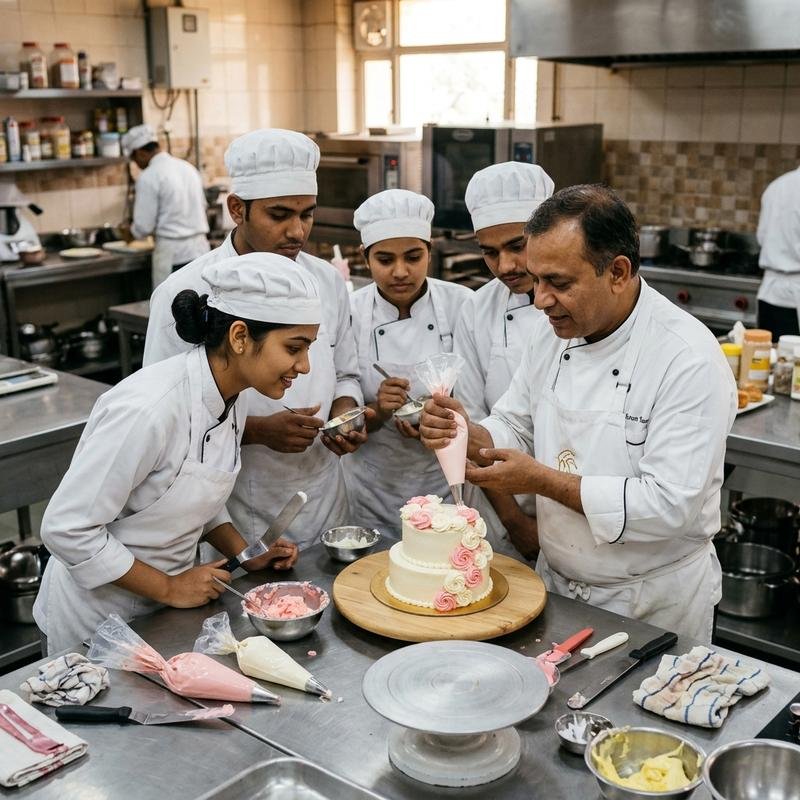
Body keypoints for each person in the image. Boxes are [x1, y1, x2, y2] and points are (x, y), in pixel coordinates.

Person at [421, 185, 737, 642]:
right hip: (555, 584)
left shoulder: (686, 358)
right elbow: (515, 423)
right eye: (537, 280)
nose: (539, 300)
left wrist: (541, 481)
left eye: (559, 283)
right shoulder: (552, 334)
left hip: (650, 603)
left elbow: (669, 506)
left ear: (618, 272)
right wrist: (472, 434)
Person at [34, 253, 320, 654]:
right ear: (239, 337)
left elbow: (192, 492)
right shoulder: (148, 409)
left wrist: (245, 554)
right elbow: (66, 529)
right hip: (95, 621)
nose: (304, 366)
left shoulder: (231, 395)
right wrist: (168, 587)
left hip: (162, 614)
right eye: (294, 348)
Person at [143, 129, 364, 551]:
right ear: (236, 209)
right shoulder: (186, 291)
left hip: (323, 498)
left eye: (307, 214)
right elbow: (165, 422)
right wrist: (258, 430)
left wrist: (344, 414)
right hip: (235, 507)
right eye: (279, 215)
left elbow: (347, 373)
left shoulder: (326, 282)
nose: (297, 231)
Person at [344, 189, 471, 536]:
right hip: (372, 486)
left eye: (413, 257)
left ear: (430, 251)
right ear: (364, 257)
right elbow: (345, 406)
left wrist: (441, 415)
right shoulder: (350, 312)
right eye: (385, 260)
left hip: (442, 480)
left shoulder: (462, 304)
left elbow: (476, 400)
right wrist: (379, 409)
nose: (400, 272)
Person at [454, 162, 554, 558]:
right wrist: (514, 521)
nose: (506, 266)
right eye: (490, 253)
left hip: (575, 507)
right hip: (499, 509)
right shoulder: (476, 310)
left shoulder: (584, 306)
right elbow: (473, 428)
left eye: (517, 246)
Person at [120, 124, 210, 287]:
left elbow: (143, 227)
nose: (136, 164)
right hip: (201, 251)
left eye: (134, 159)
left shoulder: (148, 176)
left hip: (173, 256)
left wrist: (129, 233)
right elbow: (203, 205)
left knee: (170, 302)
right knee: (202, 299)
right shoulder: (188, 168)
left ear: (140, 153)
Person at [756, 165, 800, 337]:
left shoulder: (776, 186)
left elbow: (762, 236)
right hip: (793, 294)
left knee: (767, 351)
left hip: (770, 293)